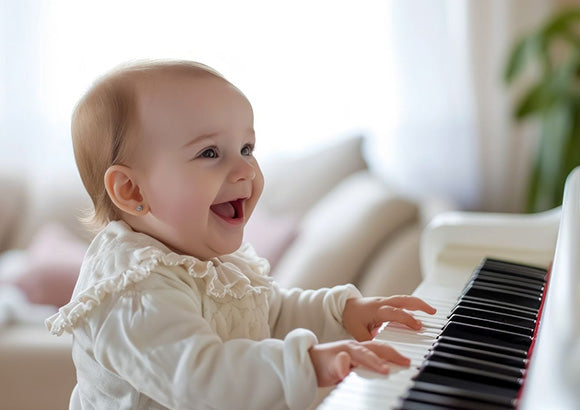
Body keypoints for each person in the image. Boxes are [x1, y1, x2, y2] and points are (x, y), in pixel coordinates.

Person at [46, 60, 436, 410]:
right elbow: (199, 380)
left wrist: (341, 313)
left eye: (246, 148)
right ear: (131, 191)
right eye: (210, 153)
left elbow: (268, 314)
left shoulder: (201, 257)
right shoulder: (131, 289)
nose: (246, 170)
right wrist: (307, 363)